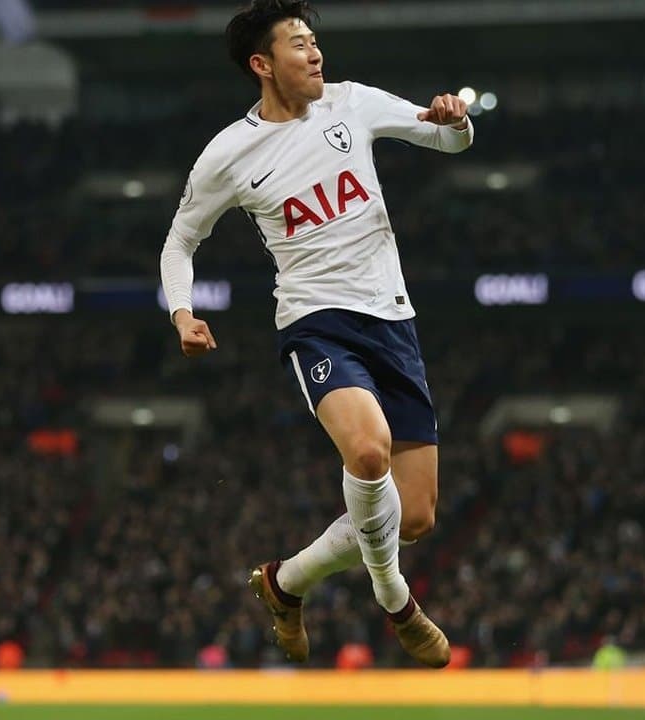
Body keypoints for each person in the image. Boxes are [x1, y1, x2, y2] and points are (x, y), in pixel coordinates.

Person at [159, 0, 474, 668]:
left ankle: (286, 582)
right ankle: (397, 601)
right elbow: (181, 240)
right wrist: (182, 313)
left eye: (314, 41)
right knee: (368, 453)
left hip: (393, 319)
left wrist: (455, 120)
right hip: (317, 322)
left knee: (416, 516)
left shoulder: (352, 103)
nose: (315, 53)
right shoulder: (229, 152)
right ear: (262, 64)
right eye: (298, 44)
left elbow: (447, 141)